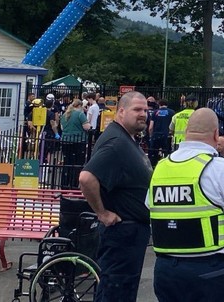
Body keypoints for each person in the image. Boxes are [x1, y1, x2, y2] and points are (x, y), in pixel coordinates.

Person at [149, 107, 224, 302]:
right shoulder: (218, 168)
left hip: (166, 269)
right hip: (210, 269)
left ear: (186, 132)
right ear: (215, 134)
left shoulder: (160, 168)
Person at [79, 91, 153, 301]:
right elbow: (86, 178)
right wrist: (102, 213)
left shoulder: (125, 139)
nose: (143, 114)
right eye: (137, 109)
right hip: (122, 234)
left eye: (145, 110)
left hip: (130, 234)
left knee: (121, 292)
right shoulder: (116, 143)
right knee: (115, 293)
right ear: (121, 111)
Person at [59, 99, 89, 189]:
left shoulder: (64, 115)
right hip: (78, 141)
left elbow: (62, 127)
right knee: (77, 164)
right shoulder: (80, 114)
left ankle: (64, 184)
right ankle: (74, 185)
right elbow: (86, 127)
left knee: (67, 163)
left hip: (65, 141)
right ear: (79, 106)